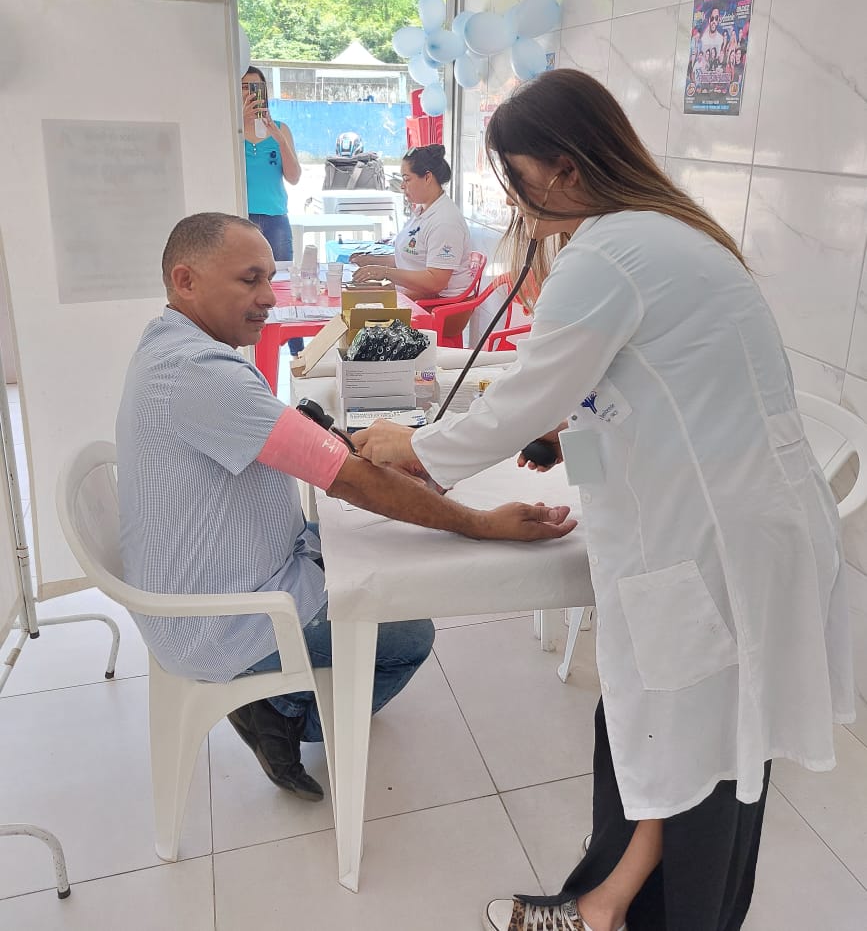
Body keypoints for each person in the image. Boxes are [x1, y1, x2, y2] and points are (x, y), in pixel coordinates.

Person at [353, 69, 854, 931]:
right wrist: (564, 444)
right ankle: (604, 905)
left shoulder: (608, 256)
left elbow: (524, 398)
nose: (514, 200)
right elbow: (632, 389)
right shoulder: (665, 233)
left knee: (688, 748)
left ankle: (616, 911)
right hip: (744, 527)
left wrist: (416, 449)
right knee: (673, 737)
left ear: (565, 168)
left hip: (710, 546)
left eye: (517, 177)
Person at [116, 212, 575, 801]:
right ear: (186, 280)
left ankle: (279, 700)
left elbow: (321, 453)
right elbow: (346, 479)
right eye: (250, 280)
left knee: (374, 547)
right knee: (408, 634)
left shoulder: (172, 346)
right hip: (222, 619)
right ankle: (275, 708)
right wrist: (481, 524)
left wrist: (379, 458)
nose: (268, 297)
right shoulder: (200, 373)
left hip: (214, 579)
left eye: (268, 278)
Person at [351, 144, 473, 301]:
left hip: (440, 304)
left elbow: (436, 282)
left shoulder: (445, 222)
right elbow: (410, 258)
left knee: (361, 304)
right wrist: (371, 261)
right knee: (352, 295)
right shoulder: (423, 210)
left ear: (427, 178)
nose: (402, 186)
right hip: (416, 294)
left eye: (407, 179)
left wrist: (385, 272)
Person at [242, 66, 301, 262]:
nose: (250, 93)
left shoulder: (280, 129)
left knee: (281, 273)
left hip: (276, 218)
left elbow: (294, 178)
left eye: (256, 87)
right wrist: (240, 122)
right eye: (244, 87)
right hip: (240, 217)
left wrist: (280, 140)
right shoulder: (229, 130)